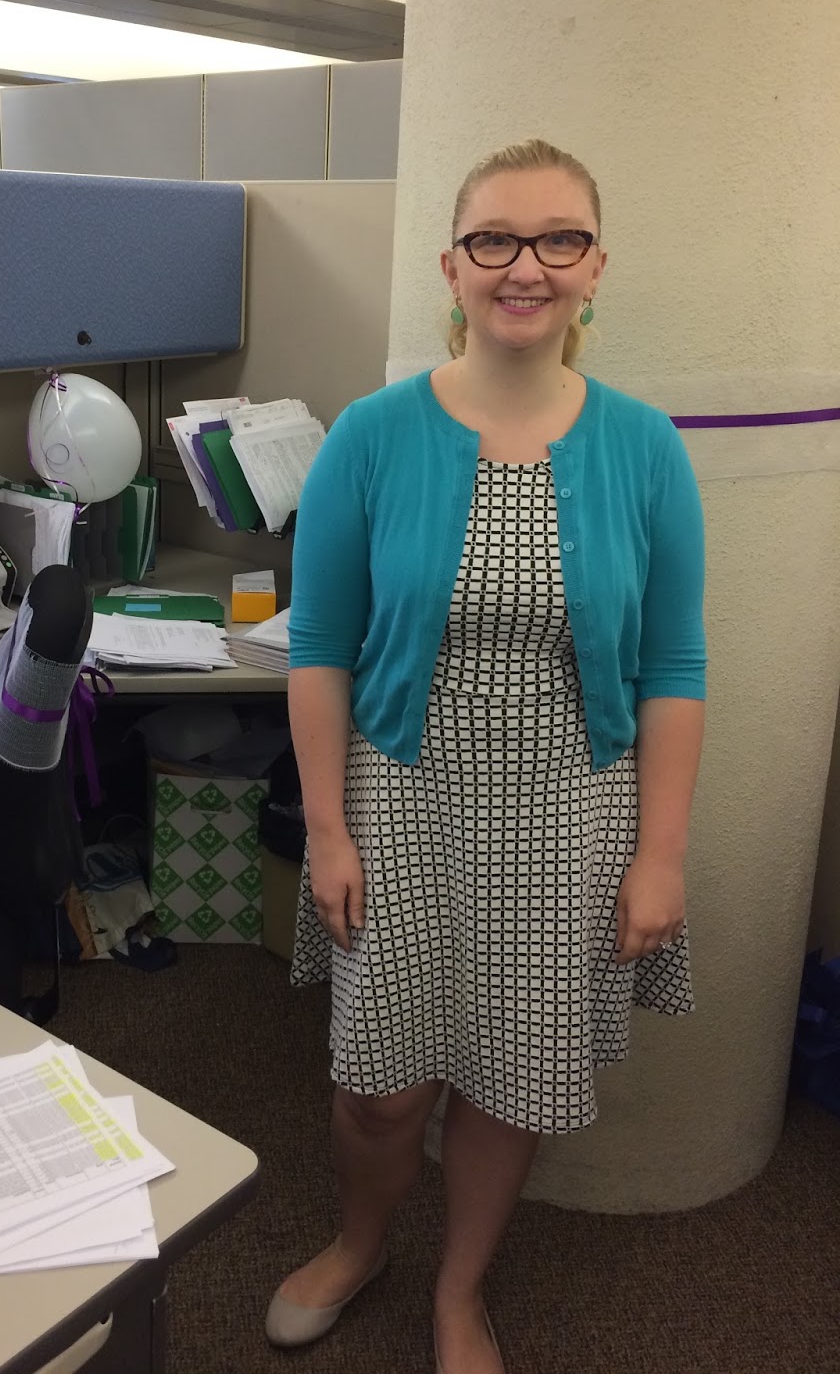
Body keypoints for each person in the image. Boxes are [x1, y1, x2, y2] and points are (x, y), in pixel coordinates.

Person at [265, 139, 707, 1374]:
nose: (527, 266)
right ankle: (360, 1243)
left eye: (559, 239)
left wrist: (661, 854)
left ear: (595, 267)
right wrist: (327, 827)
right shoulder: (373, 434)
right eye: (495, 240)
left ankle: (460, 1291)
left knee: (512, 1081)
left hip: (571, 811)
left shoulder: (645, 446)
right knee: (382, 1087)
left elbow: (673, 667)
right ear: (451, 266)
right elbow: (321, 646)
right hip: (400, 798)